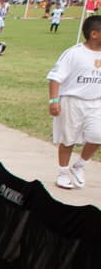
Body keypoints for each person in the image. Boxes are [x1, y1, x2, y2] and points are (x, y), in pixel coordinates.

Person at [47, 15, 101, 189]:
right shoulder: (74, 53)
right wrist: (54, 100)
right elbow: (55, 78)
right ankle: (62, 173)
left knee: (98, 136)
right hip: (72, 101)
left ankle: (79, 165)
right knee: (68, 139)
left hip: (96, 102)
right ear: (94, 34)